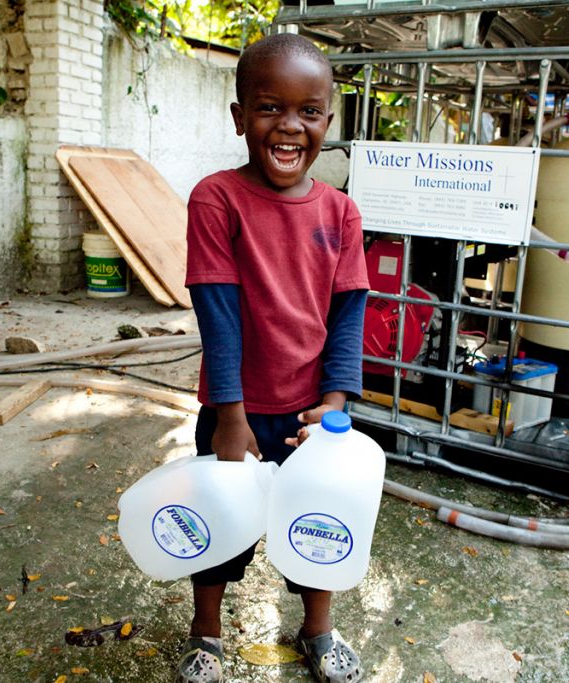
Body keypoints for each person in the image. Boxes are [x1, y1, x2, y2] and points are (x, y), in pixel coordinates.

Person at [180, 32, 369, 683]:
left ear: (327, 121)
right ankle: (205, 635)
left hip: (311, 413)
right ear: (240, 118)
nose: (289, 126)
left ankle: (318, 629)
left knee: (318, 525)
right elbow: (218, 311)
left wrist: (336, 407)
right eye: (268, 107)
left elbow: (348, 314)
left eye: (308, 111)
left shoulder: (342, 213)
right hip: (235, 411)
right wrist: (230, 416)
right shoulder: (216, 198)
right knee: (219, 526)